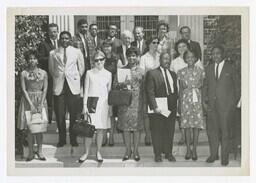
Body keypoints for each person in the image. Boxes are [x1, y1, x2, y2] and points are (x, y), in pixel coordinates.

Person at [203, 45, 240, 166]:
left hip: (226, 107)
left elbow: (237, 87)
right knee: (212, 131)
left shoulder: (231, 68)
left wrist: (234, 103)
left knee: (225, 132)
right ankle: (213, 155)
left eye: (218, 53)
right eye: (213, 54)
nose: (215, 56)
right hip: (212, 106)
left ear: (223, 54)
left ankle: (225, 158)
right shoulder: (208, 68)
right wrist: (204, 101)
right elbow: (205, 86)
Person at [49, 31, 85, 147]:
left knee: (74, 114)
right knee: (60, 115)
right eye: (62, 38)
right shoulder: (53, 53)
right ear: (60, 39)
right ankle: (62, 139)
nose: (64, 40)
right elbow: (51, 69)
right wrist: (58, 76)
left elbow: (82, 68)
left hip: (72, 86)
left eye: (67, 38)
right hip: (59, 86)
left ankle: (73, 139)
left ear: (70, 40)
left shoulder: (77, 51)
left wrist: (75, 78)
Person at [79, 50, 112, 163]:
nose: (98, 62)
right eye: (96, 60)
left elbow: (109, 92)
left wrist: (110, 107)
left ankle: (98, 152)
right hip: (91, 104)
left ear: (104, 60)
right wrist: (84, 106)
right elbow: (86, 90)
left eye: (101, 59)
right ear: (93, 61)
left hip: (103, 104)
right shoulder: (89, 73)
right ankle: (86, 152)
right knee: (89, 130)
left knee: (101, 129)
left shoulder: (108, 74)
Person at [146, 52, 178, 162]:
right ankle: (158, 154)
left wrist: (176, 107)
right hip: (158, 108)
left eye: (169, 59)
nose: (167, 61)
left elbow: (175, 91)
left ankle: (169, 153)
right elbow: (150, 92)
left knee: (169, 131)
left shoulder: (173, 74)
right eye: (165, 59)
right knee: (157, 131)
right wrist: (154, 107)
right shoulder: (152, 73)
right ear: (160, 60)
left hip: (171, 108)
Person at [170, 39, 203, 145]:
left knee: (193, 118)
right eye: (179, 47)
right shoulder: (174, 62)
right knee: (182, 117)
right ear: (177, 49)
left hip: (195, 93)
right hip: (182, 92)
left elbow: (202, 79)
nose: (182, 49)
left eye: (184, 46)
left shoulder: (196, 62)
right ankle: (183, 136)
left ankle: (191, 140)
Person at [113, 47, 144, 161]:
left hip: (137, 103)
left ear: (137, 57)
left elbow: (144, 88)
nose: (132, 58)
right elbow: (115, 85)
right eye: (130, 55)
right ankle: (128, 150)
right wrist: (122, 84)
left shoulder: (141, 71)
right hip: (125, 103)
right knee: (126, 128)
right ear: (127, 57)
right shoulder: (121, 70)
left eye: (134, 55)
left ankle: (135, 150)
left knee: (136, 128)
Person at [17, 49, 48, 161]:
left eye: (34, 58)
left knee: (39, 127)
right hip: (28, 100)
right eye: (30, 58)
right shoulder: (24, 73)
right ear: (27, 60)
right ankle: (30, 152)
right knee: (30, 128)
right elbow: (24, 90)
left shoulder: (44, 73)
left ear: (38, 60)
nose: (32, 60)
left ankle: (40, 151)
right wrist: (31, 104)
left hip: (40, 100)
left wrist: (40, 104)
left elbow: (45, 89)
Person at [177, 50, 205, 161]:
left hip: (197, 100)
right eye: (188, 57)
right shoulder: (181, 72)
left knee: (196, 126)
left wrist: (202, 103)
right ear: (185, 59)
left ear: (196, 58)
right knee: (187, 126)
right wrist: (179, 103)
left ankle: (194, 150)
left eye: (192, 57)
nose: (190, 59)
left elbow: (203, 88)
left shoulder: (201, 71)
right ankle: (188, 149)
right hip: (185, 101)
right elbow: (180, 89)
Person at [139, 36, 160, 146]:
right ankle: (148, 135)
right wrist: (152, 72)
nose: (156, 44)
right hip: (147, 87)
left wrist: (151, 71)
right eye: (153, 42)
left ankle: (156, 134)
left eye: (157, 42)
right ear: (148, 44)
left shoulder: (160, 56)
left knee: (156, 112)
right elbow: (142, 73)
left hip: (159, 88)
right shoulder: (144, 57)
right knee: (147, 112)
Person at [38, 23, 59, 123]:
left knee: (60, 99)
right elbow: (40, 59)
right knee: (50, 98)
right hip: (49, 76)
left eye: (55, 31)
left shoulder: (61, 42)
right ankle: (50, 120)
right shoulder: (43, 44)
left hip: (61, 76)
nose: (53, 34)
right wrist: (52, 57)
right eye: (51, 32)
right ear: (48, 33)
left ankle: (60, 118)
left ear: (57, 32)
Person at [101, 40, 119, 146]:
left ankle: (111, 136)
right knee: (103, 114)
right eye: (105, 46)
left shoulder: (116, 59)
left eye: (108, 46)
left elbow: (119, 74)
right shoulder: (99, 59)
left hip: (112, 90)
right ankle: (103, 137)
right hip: (101, 90)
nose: (107, 48)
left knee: (111, 114)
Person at [72, 19, 91, 117]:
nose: (84, 28)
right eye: (82, 27)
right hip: (79, 67)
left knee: (88, 88)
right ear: (78, 27)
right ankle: (78, 114)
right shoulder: (74, 39)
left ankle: (87, 112)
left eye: (86, 26)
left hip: (89, 65)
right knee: (79, 90)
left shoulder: (89, 38)